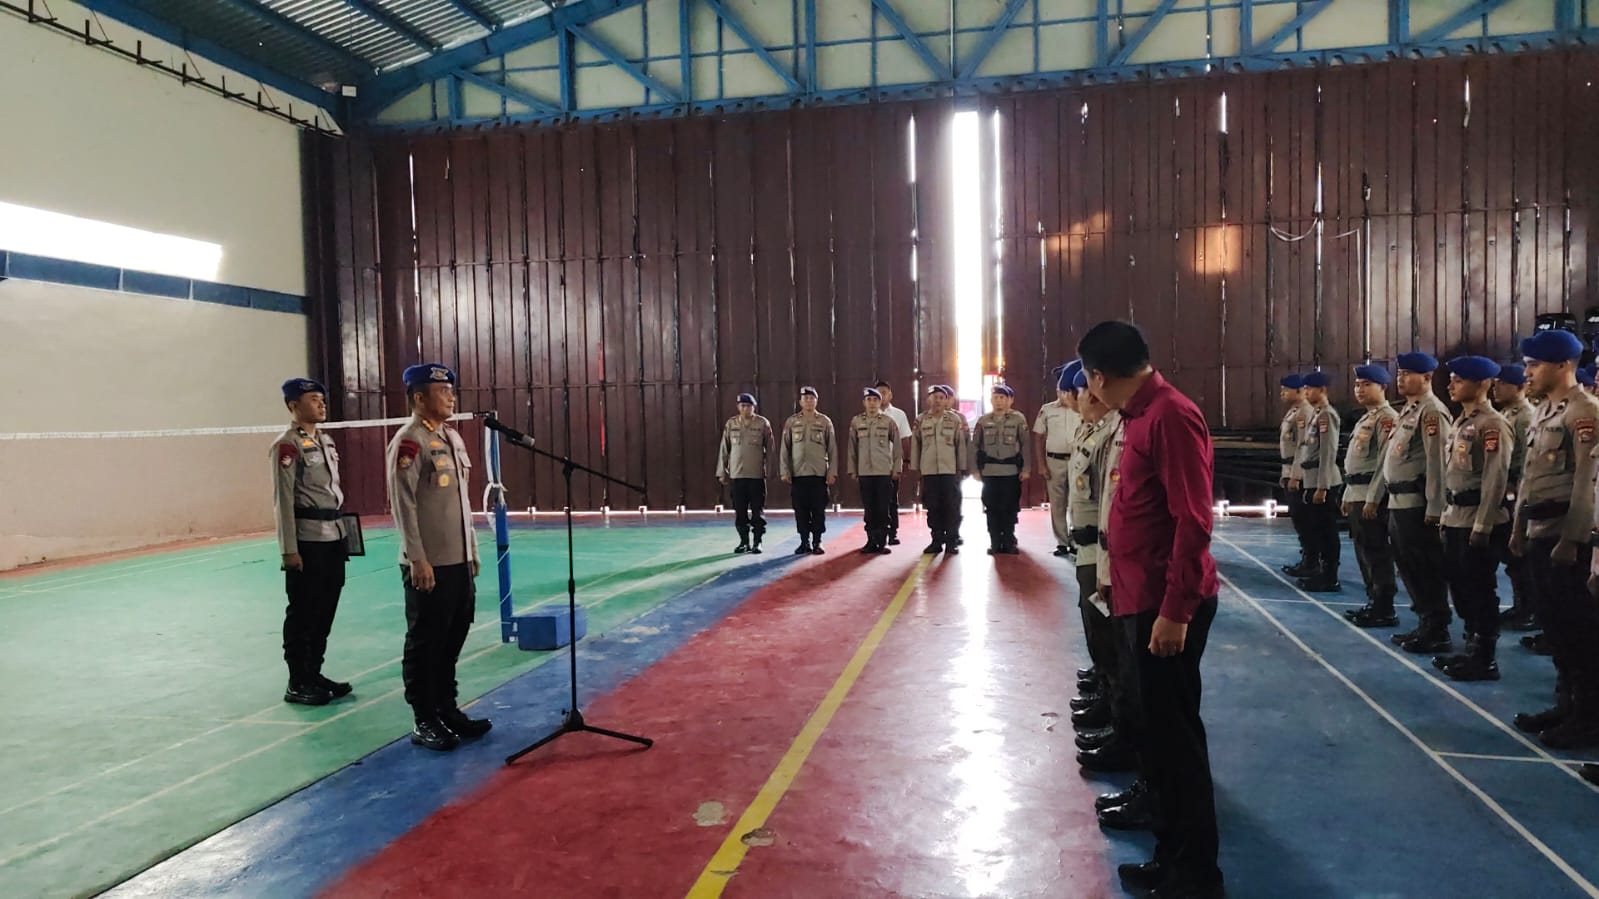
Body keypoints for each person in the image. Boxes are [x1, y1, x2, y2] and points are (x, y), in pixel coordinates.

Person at [1078, 321, 1223, 899]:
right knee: (1157, 742)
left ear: (1098, 376)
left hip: (1166, 605)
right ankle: (1171, 853)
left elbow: (1194, 519)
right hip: (1138, 597)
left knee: (1176, 745)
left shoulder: (1169, 416)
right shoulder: (1137, 416)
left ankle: (1195, 876)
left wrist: (1176, 610)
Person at [386, 362, 488, 752]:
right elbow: (403, 504)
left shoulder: (452, 438)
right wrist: (417, 559)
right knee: (426, 642)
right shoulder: (410, 442)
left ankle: (447, 707)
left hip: (457, 559)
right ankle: (424, 717)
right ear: (418, 397)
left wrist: (471, 551)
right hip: (429, 562)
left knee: (453, 635)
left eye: (450, 391)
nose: (450, 397)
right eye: (442, 391)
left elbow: (460, 504)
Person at [1511, 330, 1599, 749]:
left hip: (1564, 536)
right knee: (1556, 628)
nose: (1528, 372)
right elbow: (1529, 477)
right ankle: (1566, 705)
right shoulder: (1545, 411)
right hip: (1539, 531)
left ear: (1564, 365)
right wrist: (1517, 527)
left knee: (1578, 630)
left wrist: (1573, 539)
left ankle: (1587, 717)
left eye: (1535, 365)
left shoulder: (1584, 412)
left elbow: (1587, 482)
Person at [1067, 371, 1136, 775]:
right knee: (1098, 631)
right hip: (1090, 547)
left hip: (1101, 550)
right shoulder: (1094, 431)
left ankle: (1119, 723)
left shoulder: (1115, 433)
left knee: (1110, 638)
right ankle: (1110, 708)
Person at [1428, 356, 1514, 681]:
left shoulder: (1492, 424)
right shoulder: (1462, 421)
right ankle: (1470, 647)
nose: (1450, 385)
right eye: (1451, 379)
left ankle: (1484, 657)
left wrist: (1483, 524)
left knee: (1480, 589)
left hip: (1477, 518)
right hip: (1456, 516)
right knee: (1460, 586)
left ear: (1481, 384)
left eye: (1458, 380)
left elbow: (1495, 477)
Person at [271, 377, 353, 706]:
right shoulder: (287, 445)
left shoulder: (326, 441)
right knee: (304, 612)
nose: (321, 404)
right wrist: (289, 549)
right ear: (293, 405)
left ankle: (314, 672)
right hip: (307, 541)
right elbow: (282, 500)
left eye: (322, 398)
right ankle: (298, 681)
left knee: (325, 610)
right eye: (313, 399)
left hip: (334, 536)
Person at [1369, 352, 1451, 655]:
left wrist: (1435, 507)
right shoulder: (1409, 411)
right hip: (1399, 503)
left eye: (1407, 374)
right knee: (1409, 568)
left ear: (1427, 378)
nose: (1400, 379)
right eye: (1400, 373)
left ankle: (1437, 628)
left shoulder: (1432, 412)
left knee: (1425, 568)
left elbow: (1437, 464)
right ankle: (1425, 622)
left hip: (1417, 506)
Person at [1341, 366, 1402, 628]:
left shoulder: (1387, 418)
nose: (1360, 390)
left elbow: (1384, 463)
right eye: (1357, 385)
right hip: (1357, 492)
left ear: (1383, 387)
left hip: (1370, 495)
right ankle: (1373, 601)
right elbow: (1354, 463)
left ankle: (1384, 607)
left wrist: (1373, 498)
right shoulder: (1366, 418)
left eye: (1367, 384)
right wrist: (1348, 494)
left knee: (1377, 552)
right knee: (1364, 550)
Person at [1493, 365, 1538, 631]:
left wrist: (1516, 494)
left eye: (1502, 383)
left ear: (1519, 387)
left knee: (1522, 556)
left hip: (1518, 492)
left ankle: (1530, 609)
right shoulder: (1507, 414)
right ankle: (1522, 604)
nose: (1495, 388)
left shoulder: (1525, 416)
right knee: (1511, 556)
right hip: (1507, 491)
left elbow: (1525, 461)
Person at [1294, 371, 1343, 591]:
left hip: (1323, 481)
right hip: (1311, 478)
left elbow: (1327, 453)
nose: (1306, 392)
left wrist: (1322, 486)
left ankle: (1329, 576)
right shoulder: (1316, 414)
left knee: (1326, 531)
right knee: (1317, 529)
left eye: (1309, 389)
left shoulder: (1326, 415)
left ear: (1322, 390)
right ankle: (1322, 572)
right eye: (1304, 389)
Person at [911, 384, 971, 555]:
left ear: (946, 401)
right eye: (934, 397)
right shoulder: (921, 420)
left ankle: (951, 542)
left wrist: (962, 467)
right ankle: (936, 540)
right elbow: (916, 445)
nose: (937, 401)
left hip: (950, 470)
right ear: (928, 400)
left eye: (941, 398)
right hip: (929, 471)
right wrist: (916, 467)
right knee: (933, 507)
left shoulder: (954, 420)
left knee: (951, 506)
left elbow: (960, 445)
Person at [973, 383, 1032, 554]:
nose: (998, 401)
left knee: (1009, 507)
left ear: (1009, 400)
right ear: (991, 400)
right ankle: (994, 541)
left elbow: (1025, 445)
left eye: (1002, 398)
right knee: (991, 508)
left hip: (1010, 471)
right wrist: (975, 470)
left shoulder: (1018, 419)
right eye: (995, 398)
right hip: (990, 472)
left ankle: (1008, 540)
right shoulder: (983, 421)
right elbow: (974, 446)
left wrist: (1026, 468)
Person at [780, 386, 838, 555]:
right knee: (801, 510)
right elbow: (785, 448)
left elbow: (832, 448)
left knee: (819, 510)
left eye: (812, 398)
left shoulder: (825, 421)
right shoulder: (791, 422)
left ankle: (817, 541)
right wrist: (785, 470)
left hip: (818, 474)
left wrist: (832, 471)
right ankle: (804, 541)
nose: (808, 401)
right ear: (800, 402)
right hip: (798, 474)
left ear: (816, 401)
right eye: (805, 398)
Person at [716, 393, 775, 555]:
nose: (745, 408)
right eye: (742, 405)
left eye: (748, 406)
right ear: (738, 407)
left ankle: (757, 541)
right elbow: (724, 449)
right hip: (737, 475)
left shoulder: (762, 423)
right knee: (740, 511)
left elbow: (770, 450)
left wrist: (770, 471)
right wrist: (722, 471)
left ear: (753, 407)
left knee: (757, 511)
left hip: (756, 475)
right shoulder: (731, 424)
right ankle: (744, 541)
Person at [847, 388, 903, 554]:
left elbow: (897, 446)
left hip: (883, 471)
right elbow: (852, 447)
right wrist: (853, 469)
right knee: (869, 509)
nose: (872, 403)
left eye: (875, 400)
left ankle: (883, 541)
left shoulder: (888, 421)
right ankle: (871, 540)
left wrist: (897, 468)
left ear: (880, 402)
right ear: (864, 403)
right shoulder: (857, 422)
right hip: (865, 472)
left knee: (883, 508)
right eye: (869, 400)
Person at [876, 380, 912, 546]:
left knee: (891, 500)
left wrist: (905, 462)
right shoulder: (868, 415)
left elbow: (905, 439)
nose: (881, 396)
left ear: (890, 395)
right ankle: (876, 534)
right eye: (878, 393)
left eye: (884, 392)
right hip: (873, 467)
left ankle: (892, 533)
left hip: (892, 465)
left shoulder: (899, 414)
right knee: (875, 502)